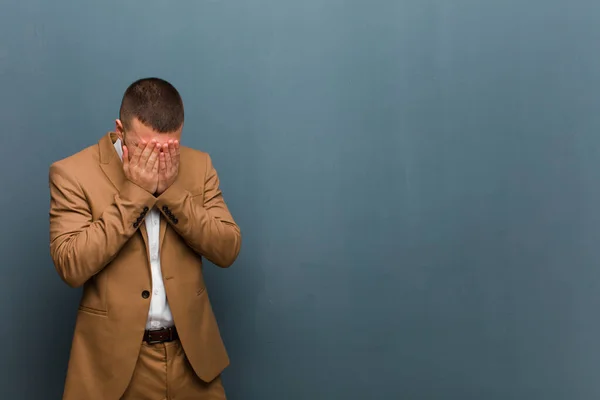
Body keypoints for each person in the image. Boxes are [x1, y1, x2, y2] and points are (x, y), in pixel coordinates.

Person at [48, 77, 241, 399]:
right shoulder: (72, 173)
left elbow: (227, 249)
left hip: (193, 360)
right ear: (120, 130)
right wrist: (135, 195)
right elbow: (71, 265)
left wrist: (172, 193)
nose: (157, 159)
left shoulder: (199, 165)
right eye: (144, 148)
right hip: (114, 366)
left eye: (169, 149)